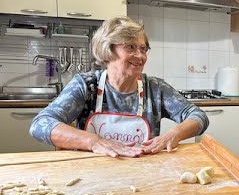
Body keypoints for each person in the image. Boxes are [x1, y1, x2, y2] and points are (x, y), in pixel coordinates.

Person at [30, 16, 209, 158]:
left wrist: (174, 134)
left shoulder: (155, 88)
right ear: (107, 50)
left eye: (143, 48)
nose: (140, 56)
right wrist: (95, 142)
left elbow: (198, 116)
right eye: (130, 47)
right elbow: (40, 124)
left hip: (141, 173)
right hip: (91, 173)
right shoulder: (87, 86)